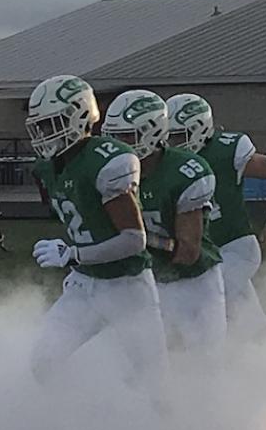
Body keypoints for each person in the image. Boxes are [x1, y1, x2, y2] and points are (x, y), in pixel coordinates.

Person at [24, 74, 168, 399]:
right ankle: (79, 422)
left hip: (127, 286)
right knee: (43, 362)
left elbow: (134, 239)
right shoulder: (49, 166)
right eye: (41, 126)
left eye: (53, 123)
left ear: (79, 116)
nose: (45, 133)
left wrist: (74, 253)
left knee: (153, 385)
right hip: (84, 285)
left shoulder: (109, 160)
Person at [102, 90, 225, 354]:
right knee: (137, 364)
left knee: (202, 362)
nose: (116, 145)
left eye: (125, 136)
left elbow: (188, 252)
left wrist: (137, 237)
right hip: (144, 282)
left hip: (192, 283)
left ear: (152, 133)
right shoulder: (110, 174)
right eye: (111, 136)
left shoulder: (184, 172)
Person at [165, 94, 266, 341]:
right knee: (251, 323)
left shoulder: (227, 150)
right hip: (204, 254)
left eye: (180, 136)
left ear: (199, 129)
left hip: (236, 248)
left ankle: (203, 358)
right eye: (170, 136)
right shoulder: (169, 162)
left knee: (204, 303)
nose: (173, 143)